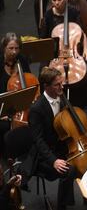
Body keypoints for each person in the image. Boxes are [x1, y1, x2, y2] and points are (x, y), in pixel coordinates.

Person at [18, 67, 78, 210]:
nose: (61, 87)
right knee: (69, 171)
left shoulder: (62, 99)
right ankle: (61, 207)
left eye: (61, 83)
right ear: (46, 86)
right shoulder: (36, 109)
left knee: (85, 161)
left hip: (61, 147)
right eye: (57, 84)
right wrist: (54, 161)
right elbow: (39, 141)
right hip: (44, 155)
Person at [0, 33, 31, 157]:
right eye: (11, 48)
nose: (14, 52)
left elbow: (29, 81)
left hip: (19, 104)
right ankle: (5, 156)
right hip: (2, 105)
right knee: (2, 126)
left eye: (16, 48)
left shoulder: (22, 60)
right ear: (4, 48)